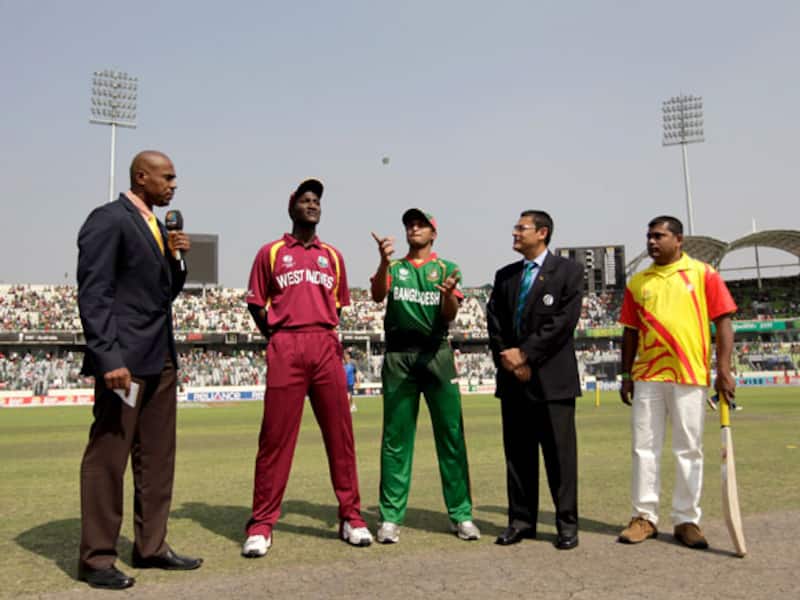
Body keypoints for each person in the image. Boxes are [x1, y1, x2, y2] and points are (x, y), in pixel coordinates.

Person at [76, 151, 201, 590]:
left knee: (157, 459)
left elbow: (164, 294)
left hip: (160, 358)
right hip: (125, 363)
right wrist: (108, 358)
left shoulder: (156, 226)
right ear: (140, 177)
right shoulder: (109, 219)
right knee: (108, 458)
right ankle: (96, 558)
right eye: (166, 177)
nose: (173, 184)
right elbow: (94, 293)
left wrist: (176, 260)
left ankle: (150, 546)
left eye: (174, 178)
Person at [242, 178, 372, 558]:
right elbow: (255, 303)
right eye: (305, 200)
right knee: (275, 438)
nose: (312, 205)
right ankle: (262, 524)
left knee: (340, 436)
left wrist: (318, 330)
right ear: (291, 207)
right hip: (286, 345)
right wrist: (279, 335)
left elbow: (339, 306)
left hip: (325, 343)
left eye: (316, 201)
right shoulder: (271, 252)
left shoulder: (332, 255)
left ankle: (351, 517)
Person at [617, 216, 737, 549]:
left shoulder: (703, 274)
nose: (652, 242)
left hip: (690, 374)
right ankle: (644, 517)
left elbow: (724, 321)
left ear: (678, 239)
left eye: (659, 236)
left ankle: (687, 520)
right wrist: (626, 374)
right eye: (648, 236)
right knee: (644, 448)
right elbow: (629, 331)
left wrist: (723, 369)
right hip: (647, 376)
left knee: (689, 449)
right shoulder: (639, 282)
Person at [370, 208, 479, 544]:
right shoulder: (396, 267)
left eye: (420, 224)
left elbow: (449, 314)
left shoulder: (448, 268)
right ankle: (390, 518)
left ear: (434, 232)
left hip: (437, 354)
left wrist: (447, 296)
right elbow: (377, 294)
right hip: (399, 357)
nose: (413, 228)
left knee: (451, 436)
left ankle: (461, 515)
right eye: (409, 225)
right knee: (395, 439)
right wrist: (383, 263)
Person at [486, 210, 583, 550]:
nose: (514, 232)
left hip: (553, 381)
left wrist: (525, 355)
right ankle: (521, 521)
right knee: (518, 456)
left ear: (542, 233)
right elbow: (494, 321)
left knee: (560, 457)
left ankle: (566, 524)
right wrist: (510, 360)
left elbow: (561, 324)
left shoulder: (569, 272)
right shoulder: (506, 275)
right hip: (513, 381)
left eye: (520, 228)